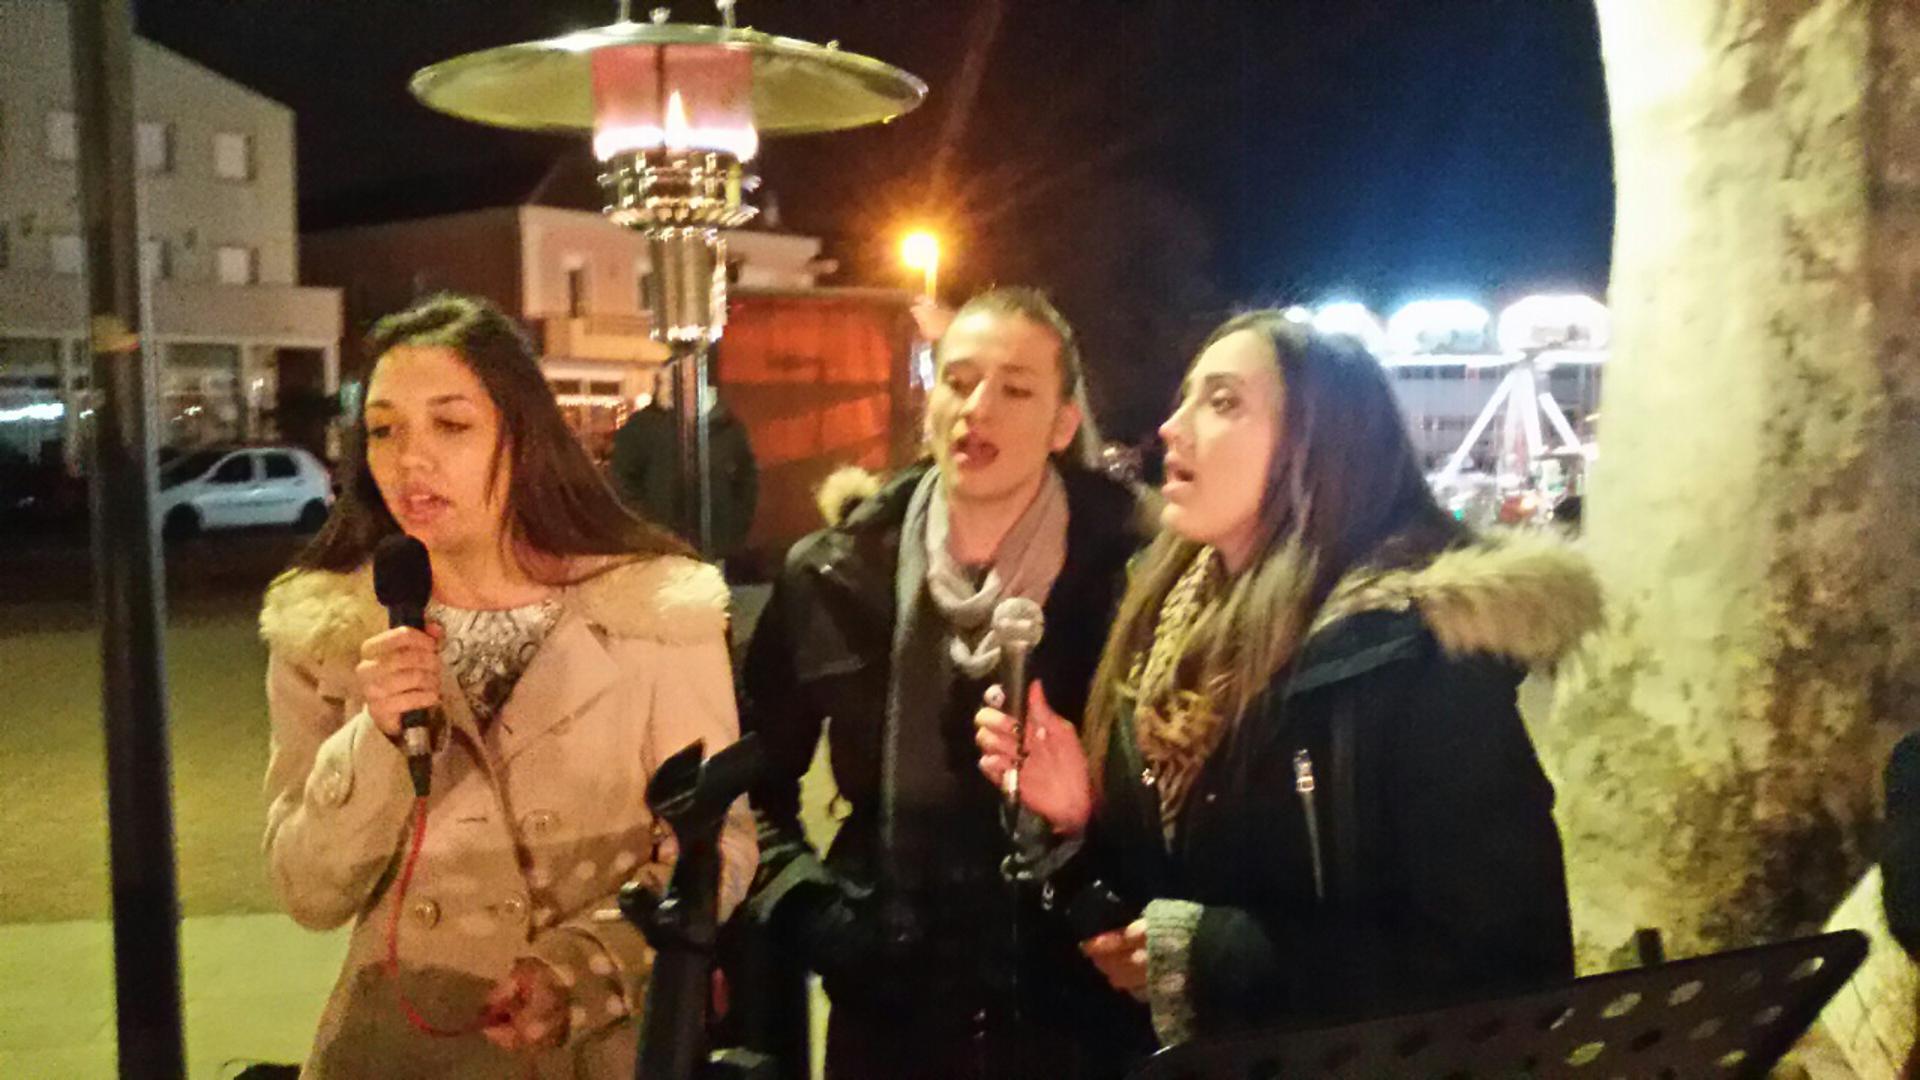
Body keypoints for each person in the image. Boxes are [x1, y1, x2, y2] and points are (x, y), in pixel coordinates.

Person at [976, 311, 1594, 1050]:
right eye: (1185, 398)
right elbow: (1153, 924)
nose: (1172, 427)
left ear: (1318, 447)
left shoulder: (1414, 656)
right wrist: (1078, 830)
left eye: (1223, 402)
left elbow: (1506, 969)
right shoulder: (1156, 629)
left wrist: (1218, 955)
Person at [258, 293, 756, 1078]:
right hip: (398, 1047)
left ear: (521, 437)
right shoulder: (328, 626)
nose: (411, 459)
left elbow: (718, 847)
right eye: (385, 430)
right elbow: (306, 892)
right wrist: (375, 742)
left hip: (592, 1048)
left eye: (451, 425)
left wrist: (584, 967)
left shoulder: (653, 612)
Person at [736, 288, 1153, 1078]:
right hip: (891, 1010)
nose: (977, 408)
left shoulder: (1134, 576)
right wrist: (822, 918)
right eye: (958, 381)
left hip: (1078, 1009)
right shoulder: (834, 571)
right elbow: (748, 783)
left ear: (1063, 424)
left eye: (1016, 389)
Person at [608, 362, 759, 565]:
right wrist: (649, 530)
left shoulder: (728, 427)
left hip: (713, 547)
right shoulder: (642, 427)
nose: (684, 384)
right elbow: (622, 484)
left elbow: (747, 482)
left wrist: (732, 532)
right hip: (660, 553)